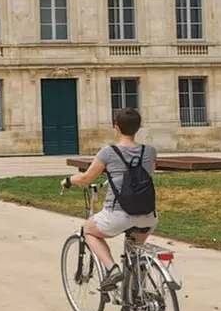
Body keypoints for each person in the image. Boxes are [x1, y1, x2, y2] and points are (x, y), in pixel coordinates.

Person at [61, 107, 158, 291]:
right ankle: (139, 296)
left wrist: (68, 180)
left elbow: (86, 178)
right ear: (138, 127)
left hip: (117, 215)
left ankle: (112, 269)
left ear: (117, 128)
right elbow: (148, 173)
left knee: (88, 230)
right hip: (148, 215)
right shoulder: (150, 151)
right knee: (135, 251)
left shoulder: (108, 152)